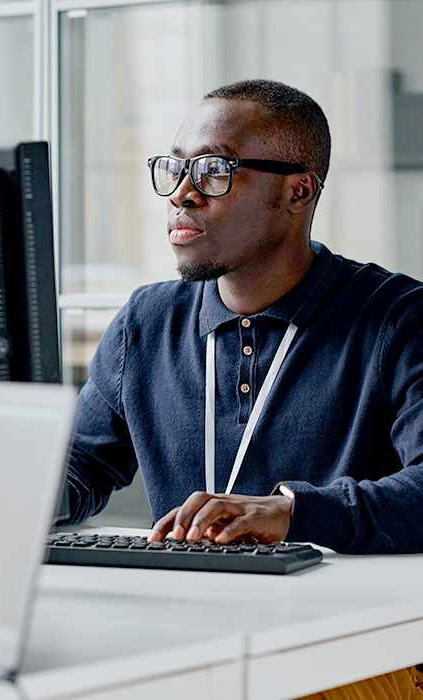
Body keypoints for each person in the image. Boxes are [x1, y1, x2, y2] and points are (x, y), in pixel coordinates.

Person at [63, 79, 423, 698]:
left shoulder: (398, 318)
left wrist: (292, 512)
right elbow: (78, 470)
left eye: (213, 170)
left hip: (351, 655)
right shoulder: (146, 322)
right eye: (175, 168)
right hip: (186, 643)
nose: (181, 193)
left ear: (297, 190)